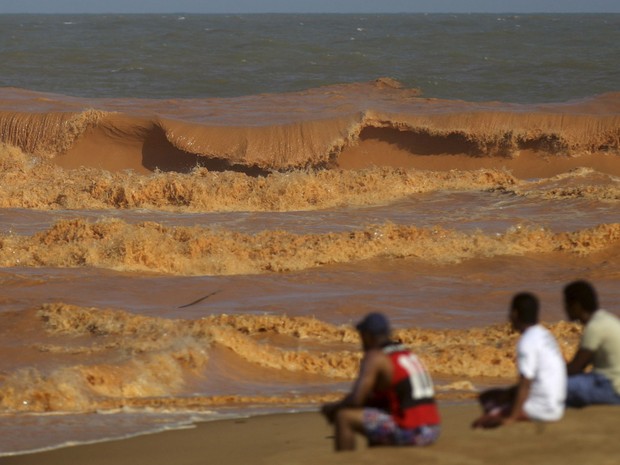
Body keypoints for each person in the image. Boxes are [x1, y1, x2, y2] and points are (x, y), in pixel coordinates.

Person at [321, 312, 440, 451]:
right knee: (375, 413)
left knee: (344, 417)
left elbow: (356, 400)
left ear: (368, 336)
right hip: (433, 429)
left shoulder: (375, 356)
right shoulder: (406, 353)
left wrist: (333, 409)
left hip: (413, 431)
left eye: (362, 335)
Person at [472, 292, 566, 428]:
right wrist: (508, 394)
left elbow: (525, 382)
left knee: (488, 401)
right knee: (501, 396)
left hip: (543, 410)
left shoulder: (527, 341)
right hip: (557, 405)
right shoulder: (545, 335)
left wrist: (512, 417)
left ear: (515, 314)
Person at [564, 280, 620, 407]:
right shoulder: (605, 319)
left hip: (612, 388)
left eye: (566, 304)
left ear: (576, 306)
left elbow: (575, 368)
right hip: (613, 382)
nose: (565, 309)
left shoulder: (595, 327)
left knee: (557, 386)